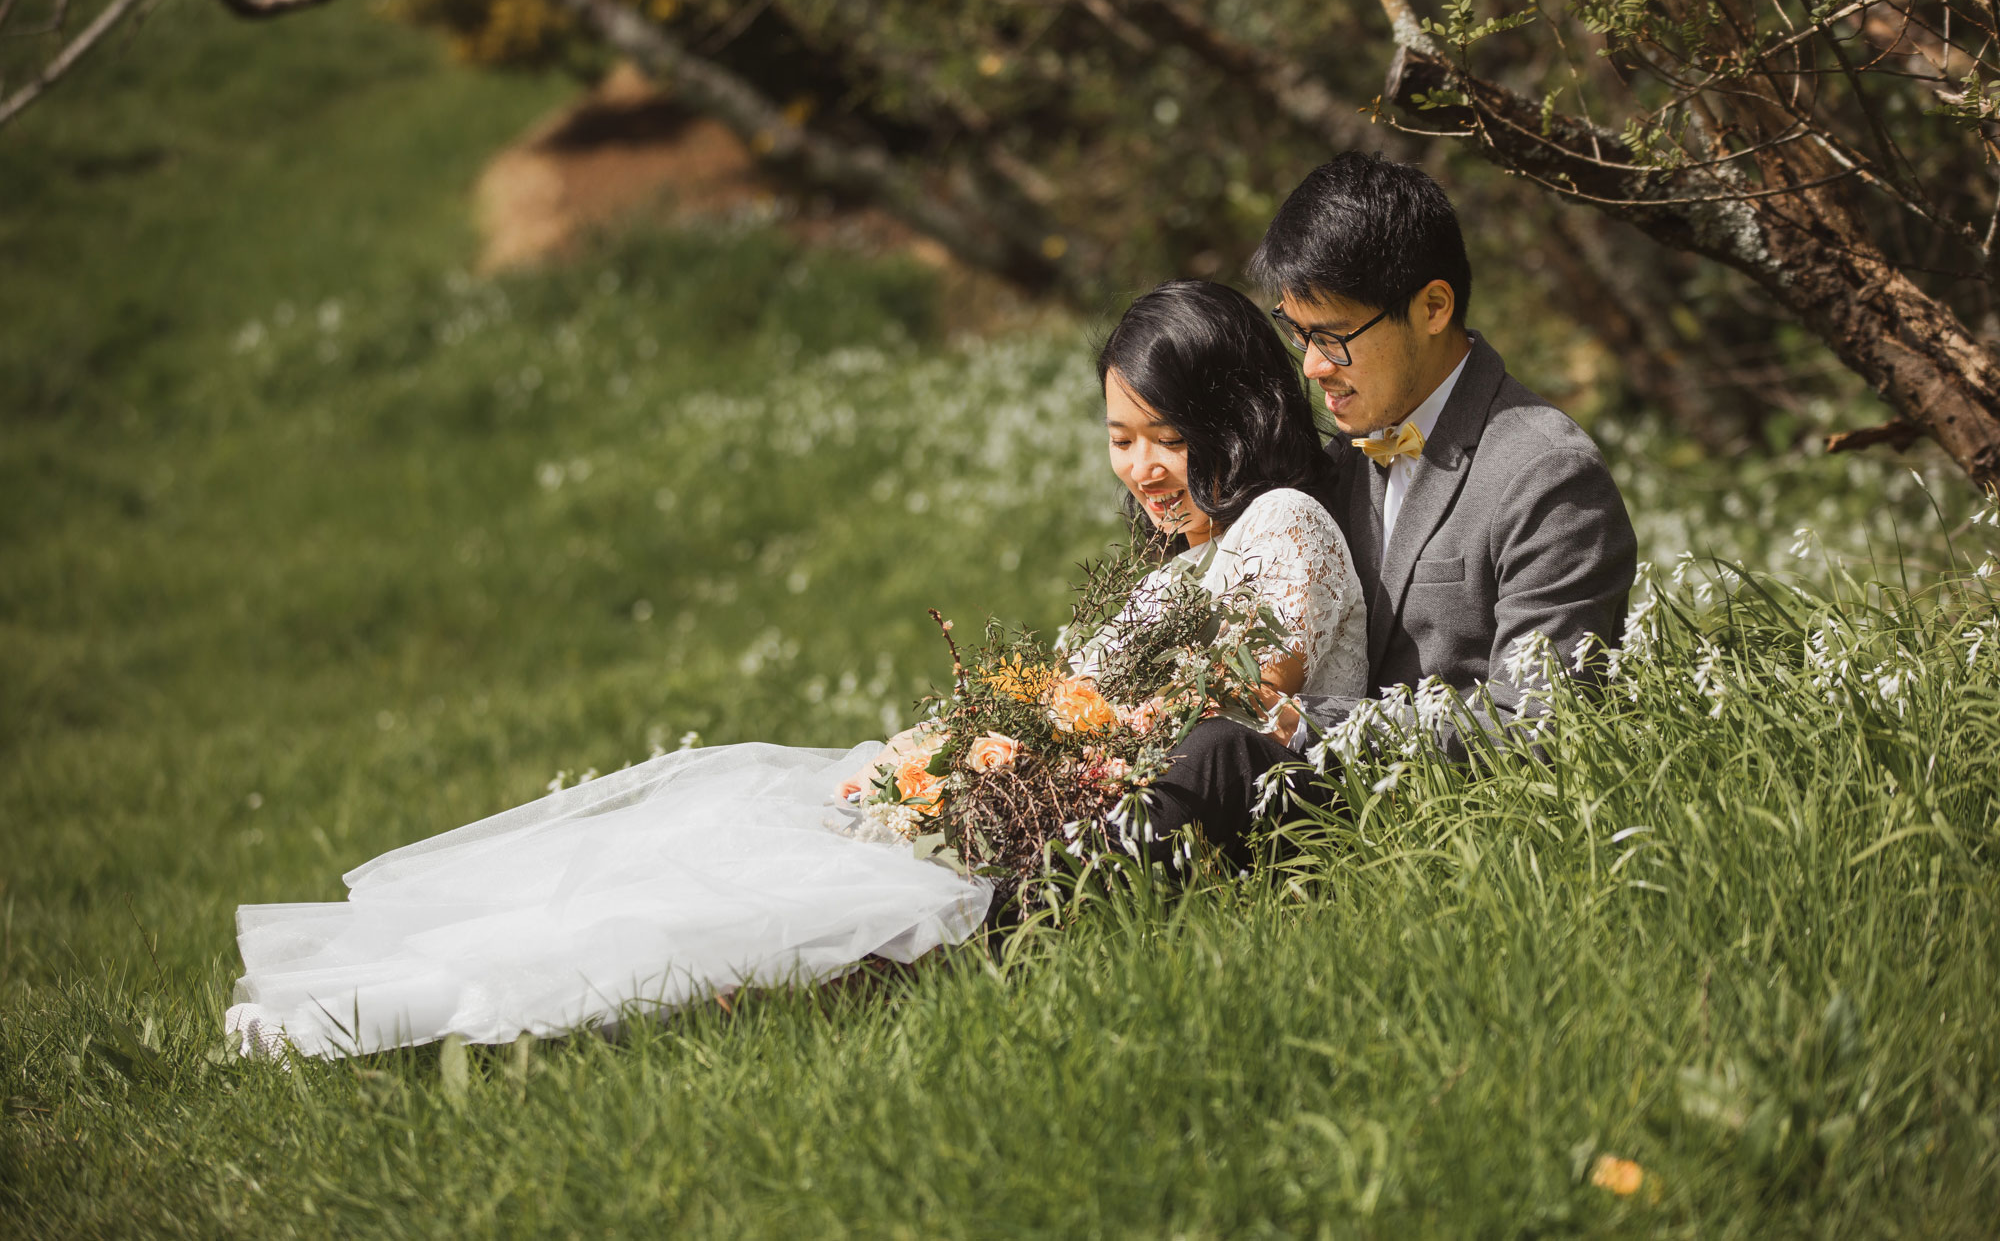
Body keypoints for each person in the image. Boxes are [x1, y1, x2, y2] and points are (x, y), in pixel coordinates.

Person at [223, 280, 1364, 1061]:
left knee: (759, 913)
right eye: (1121, 437)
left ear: (1231, 413)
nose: (1142, 469)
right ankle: (400, 1002)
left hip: (1074, 822)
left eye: (1163, 434)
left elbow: (1228, 704)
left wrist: (1005, 767)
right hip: (1036, 805)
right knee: (706, 857)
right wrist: (952, 753)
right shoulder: (1177, 564)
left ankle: (457, 1018)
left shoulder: (1282, 524)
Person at [1147, 153, 1639, 839]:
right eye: (1300, 333)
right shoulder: (1341, 454)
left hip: (1446, 827)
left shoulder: (1547, 474)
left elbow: (1540, 721)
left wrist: (1311, 722)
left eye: (1335, 336)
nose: (1314, 365)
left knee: (1219, 756)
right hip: (1320, 800)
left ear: (1433, 306)